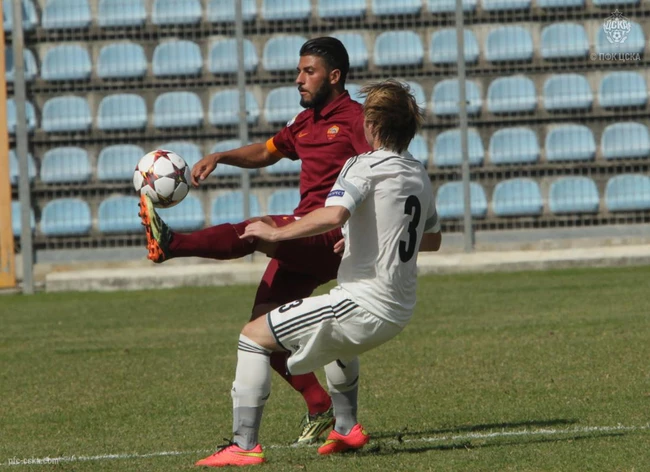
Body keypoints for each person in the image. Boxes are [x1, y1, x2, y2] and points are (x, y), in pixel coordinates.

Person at [194, 79, 442, 468]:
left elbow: (333, 214)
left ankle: (243, 445)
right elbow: (433, 240)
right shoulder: (417, 172)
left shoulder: (363, 165)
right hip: (399, 310)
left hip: (364, 303)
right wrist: (365, 241)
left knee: (254, 336)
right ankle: (345, 428)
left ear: (372, 124)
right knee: (336, 342)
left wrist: (277, 233)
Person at [138, 37, 372, 444]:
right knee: (261, 330)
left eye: (309, 72)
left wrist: (359, 232)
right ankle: (319, 405)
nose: (298, 79)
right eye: (298, 71)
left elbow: (381, 175)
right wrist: (221, 157)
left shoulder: (356, 120)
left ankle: (173, 244)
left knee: (258, 228)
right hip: (303, 234)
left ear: (334, 76)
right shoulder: (306, 122)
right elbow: (267, 152)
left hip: (329, 234)